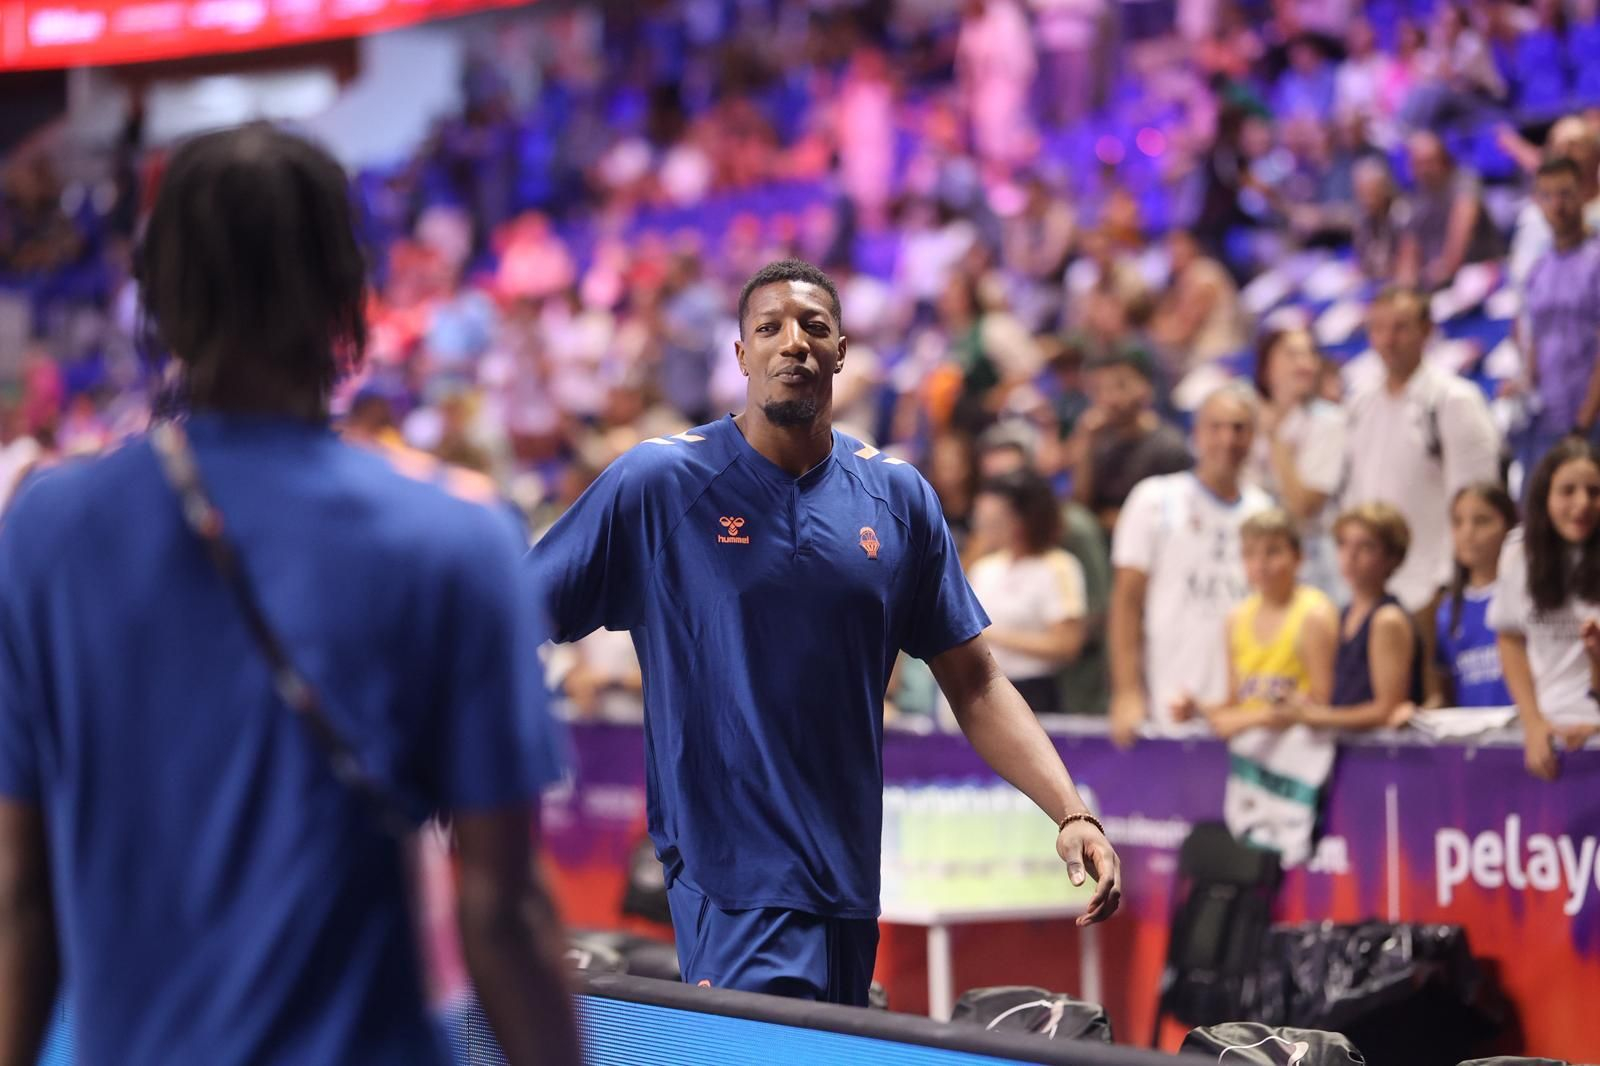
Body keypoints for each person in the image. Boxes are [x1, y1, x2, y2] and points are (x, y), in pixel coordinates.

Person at [0, 126, 579, 1066]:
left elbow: (21, 897)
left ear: (161, 304)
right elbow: (503, 915)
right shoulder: (457, 537)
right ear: (348, 298)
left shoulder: (47, 531)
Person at [527, 258, 1121, 1004]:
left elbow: (976, 681)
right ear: (741, 357)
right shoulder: (660, 484)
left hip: (848, 883)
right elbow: (513, 615)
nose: (793, 343)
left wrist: (1070, 810)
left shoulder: (898, 498)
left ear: (841, 351)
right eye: (769, 327)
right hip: (733, 883)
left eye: (814, 326)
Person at [1108, 384, 1273, 748]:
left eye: (1239, 428)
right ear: (1196, 435)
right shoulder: (1155, 499)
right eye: (1216, 427)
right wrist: (1127, 692)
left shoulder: (1263, 512)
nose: (1228, 439)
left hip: (1243, 711)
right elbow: (1126, 603)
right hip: (1171, 696)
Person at [1343, 287, 1501, 615]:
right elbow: (1356, 493)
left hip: (1431, 588)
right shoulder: (1361, 402)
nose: (1388, 340)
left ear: (1426, 331)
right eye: (1379, 329)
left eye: (1400, 327)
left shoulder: (1454, 400)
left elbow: (1477, 503)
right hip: (1374, 587)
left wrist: (1445, 584)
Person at [1171, 509, 1339, 739]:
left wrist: (1254, 719)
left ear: (1298, 557)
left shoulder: (1314, 614)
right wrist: (1197, 710)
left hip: (1302, 758)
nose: (1260, 564)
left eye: (1273, 552)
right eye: (1249, 554)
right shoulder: (1236, 618)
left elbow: (1322, 706)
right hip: (1251, 759)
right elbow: (1236, 704)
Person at [1490, 438, 1600, 780]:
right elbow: (1509, 638)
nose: (1582, 504)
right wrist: (1533, 723)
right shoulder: (1518, 553)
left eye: (1594, 492)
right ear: (1544, 495)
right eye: (1568, 490)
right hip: (1546, 732)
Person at [1508, 157, 1600, 490]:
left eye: (1566, 194)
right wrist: (1523, 384)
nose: (1557, 205)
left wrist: (1584, 422)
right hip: (1547, 418)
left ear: (1585, 194)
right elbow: (1535, 339)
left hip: (1590, 419)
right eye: (1547, 196)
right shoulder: (1538, 268)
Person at [967, 470, 1088, 715]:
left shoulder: (1058, 567)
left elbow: (1066, 644)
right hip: (980, 688)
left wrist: (989, 636)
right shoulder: (984, 568)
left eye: (995, 520)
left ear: (1022, 519)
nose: (986, 528)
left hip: (1035, 692)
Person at [1304, 504, 1424, 728]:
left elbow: (1387, 709)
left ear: (1391, 558)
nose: (1350, 556)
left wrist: (1310, 717)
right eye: (1343, 544)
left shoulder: (1387, 619)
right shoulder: (1341, 616)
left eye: (1366, 547)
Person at [1248, 327, 1347, 598]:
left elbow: (1304, 505)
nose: (1304, 363)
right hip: (1258, 561)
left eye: (1309, 354)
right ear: (1267, 366)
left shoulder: (1329, 422)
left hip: (1315, 562)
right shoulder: (1247, 420)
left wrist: (1276, 441)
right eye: (1292, 355)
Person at [1071, 347, 1193, 538]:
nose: (1110, 398)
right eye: (1099, 390)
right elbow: (1081, 508)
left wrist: (1109, 519)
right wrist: (1085, 444)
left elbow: (1173, 518)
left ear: (1146, 387)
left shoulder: (1169, 447)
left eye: (1121, 386)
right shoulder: (1099, 440)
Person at [1431, 482, 1517, 708]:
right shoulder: (1446, 609)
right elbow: (1445, 691)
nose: (1467, 533)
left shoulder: (1527, 597)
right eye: (1458, 522)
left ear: (1509, 528)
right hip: (1472, 737)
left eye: (1481, 521)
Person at [1394, 132, 1504, 290]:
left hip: (1479, 272)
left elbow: (1459, 241)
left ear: (1444, 160)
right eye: (1419, 163)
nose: (1425, 170)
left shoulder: (1464, 182)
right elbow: (1409, 251)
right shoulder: (1415, 198)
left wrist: (1442, 271)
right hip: (1437, 280)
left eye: (1430, 162)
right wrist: (1405, 287)